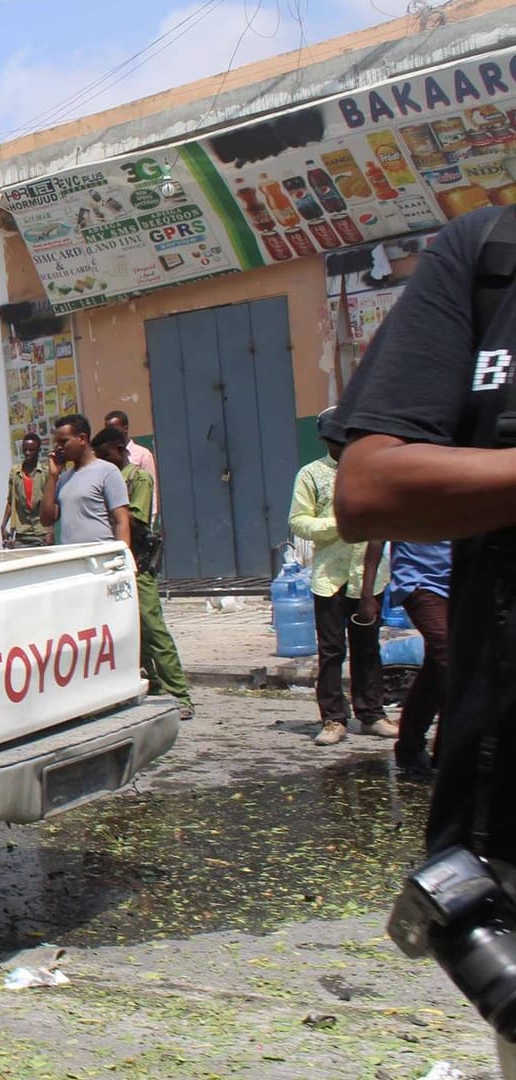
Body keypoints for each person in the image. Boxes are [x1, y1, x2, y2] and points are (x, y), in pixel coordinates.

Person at [332, 206, 516, 1073]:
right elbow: (364, 500)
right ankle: (384, 735)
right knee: (425, 667)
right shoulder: (488, 257)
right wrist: (370, 590)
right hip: (503, 786)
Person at [290, 408, 394, 747]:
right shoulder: (311, 474)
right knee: (332, 650)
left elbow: (380, 523)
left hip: (368, 578)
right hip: (329, 577)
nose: (342, 447)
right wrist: (339, 524)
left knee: (368, 647)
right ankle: (334, 719)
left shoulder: (371, 473)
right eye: (336, 441)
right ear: (324, 440)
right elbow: (299, 521)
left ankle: (372, 714)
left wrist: (367, 592)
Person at [93, 426, 193, 721]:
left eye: (104, 455)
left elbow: (136, 518)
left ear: (114, 450)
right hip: (112, 561)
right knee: (128, 626)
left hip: (137, 559)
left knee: (152, 625)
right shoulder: (104, 478)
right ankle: (150, 681)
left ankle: (180, 693)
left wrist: (110, 516)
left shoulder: (138, 478)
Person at [387, 540, 451, 777]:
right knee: (451, 660)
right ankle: (451, 756)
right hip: (418, 581)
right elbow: (375, 537)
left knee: (436, 669)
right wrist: (367, 593)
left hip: (461, 582)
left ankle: (409, 747)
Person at [39, 413, 130, 548]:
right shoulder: (63, 478)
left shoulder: (107, 471)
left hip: (101, 557)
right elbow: (46, 520)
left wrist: (123, 558)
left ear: (82, 439)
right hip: (72, 559)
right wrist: (52, 476)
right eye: (56, 443)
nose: (58, 447)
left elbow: (122, 521)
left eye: (64, 441)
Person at [0, 432, 53, 548]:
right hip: (22, 533)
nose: (28, 453)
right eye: (25, 450)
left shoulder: (45, 473)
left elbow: (52, 504)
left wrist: (50, 530)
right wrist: (3, 525)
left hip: (41, 532)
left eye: (31, 450)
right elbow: (11, 501)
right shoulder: (15, 473)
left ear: (38, 450)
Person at [104, 409, 160, 517]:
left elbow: (152, 488)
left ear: (125, 429)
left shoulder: (142, 454)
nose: (110, 434)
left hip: (137, 513)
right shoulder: (107, 456)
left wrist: (152, 515)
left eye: (113, 430)